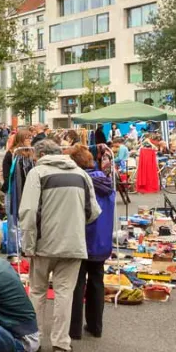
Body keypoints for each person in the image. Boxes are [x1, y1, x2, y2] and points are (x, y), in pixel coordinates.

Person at [19, 140, 100, 352]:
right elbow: (93, 211)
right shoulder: (81, 174)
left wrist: (28, 244)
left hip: (43, 244)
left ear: (42, 154)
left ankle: (34, 340)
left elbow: (27, 211)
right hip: (73, 244)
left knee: (37, 292)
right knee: (65, 292)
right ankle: (61, 343)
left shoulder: (38, 173)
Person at [67, 146, 115, 340]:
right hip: (102, 240)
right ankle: (96, 326)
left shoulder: (81, 183)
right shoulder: (107, 182)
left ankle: (74, 329)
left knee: (77, 283)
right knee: (97, 281)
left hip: (83, 238)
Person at [1, 129, 32, 193]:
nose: (30, 140)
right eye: (27, 138)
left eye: (30, 138)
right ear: (20, 139)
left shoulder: (31, 151)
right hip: (15, 186)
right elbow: (6, 173)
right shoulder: (12, 153)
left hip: (28, 184)